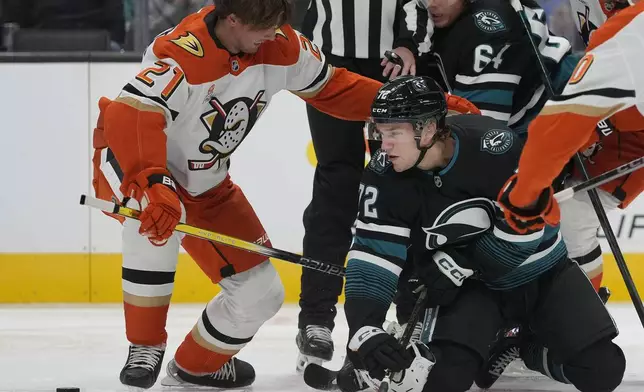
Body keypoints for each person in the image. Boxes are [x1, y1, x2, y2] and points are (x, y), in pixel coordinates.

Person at [91, 0, 384, 389]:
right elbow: (130, 115)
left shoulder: (279, 44)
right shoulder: (182, 54)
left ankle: (196, 365)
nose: (274, 34)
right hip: (140, 164)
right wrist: (153, 181)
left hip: (207, 185)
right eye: (265, 27)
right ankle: (144, 345)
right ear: (232, 20)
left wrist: (413, 106)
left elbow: (336, 88)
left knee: (263, 294)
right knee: (158, 217)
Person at [342, 75, 625, 392]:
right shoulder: (383, 177)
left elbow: (530, 231)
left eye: (394, 132)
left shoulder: (495, 146)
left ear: (430, 129)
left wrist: (460, 262)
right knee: (444, 380)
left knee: (603, 371)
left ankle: (523, 347)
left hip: (542, 273)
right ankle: (491, 344)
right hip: (475, 291)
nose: (384, 144)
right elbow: (373, 254)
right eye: (380, 132)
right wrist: (364, 328)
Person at [296, 0, 471, 371]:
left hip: (392, 65)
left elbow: (417, 4)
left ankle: (409, 309)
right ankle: (316, 317)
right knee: (335, 189)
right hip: (328, 66)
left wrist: (409, 42)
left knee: (400, 187)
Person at [499, 0, 644, 296]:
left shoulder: (631, 28)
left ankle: (585, 319)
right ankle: (581, 316)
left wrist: (524, 194)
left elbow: (558, 127)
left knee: (574, 215)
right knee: (572, 213)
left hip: (630, 125)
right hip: (618, 111)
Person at [413, 0, 577, 134]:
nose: (431, 4)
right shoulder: (437, 21)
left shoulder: (483, 27)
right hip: (541, 105)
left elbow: (482, 129)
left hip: (557, 106)